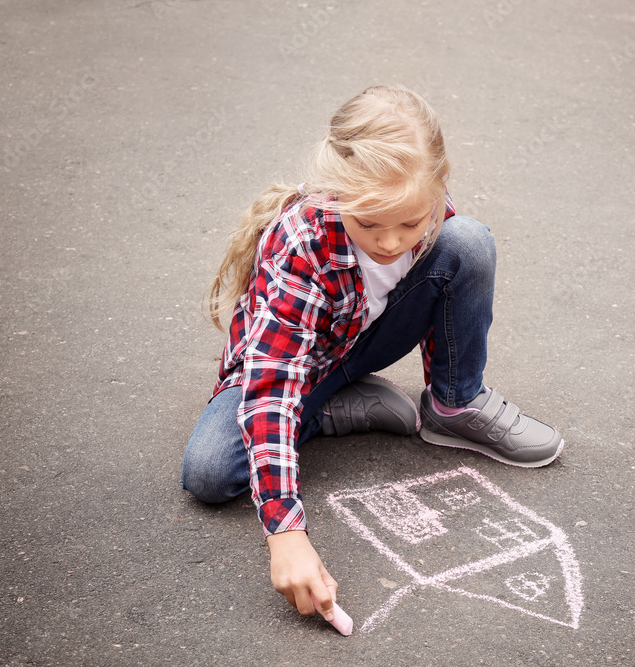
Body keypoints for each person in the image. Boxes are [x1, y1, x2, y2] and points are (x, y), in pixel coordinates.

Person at [180, 84, 564, 625]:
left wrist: (426, 239)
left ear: (436, 189)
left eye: (410, 223)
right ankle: (330, 409)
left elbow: (440, 283)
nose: (389, 243)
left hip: (361, 342)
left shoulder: (428, 209)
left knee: (469, 241)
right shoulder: (303, 242)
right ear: (335, 193)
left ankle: (456, 404)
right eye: (369, 224)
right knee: (209, 472)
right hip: (294, 368)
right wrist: (287, 536)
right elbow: (270, 393)